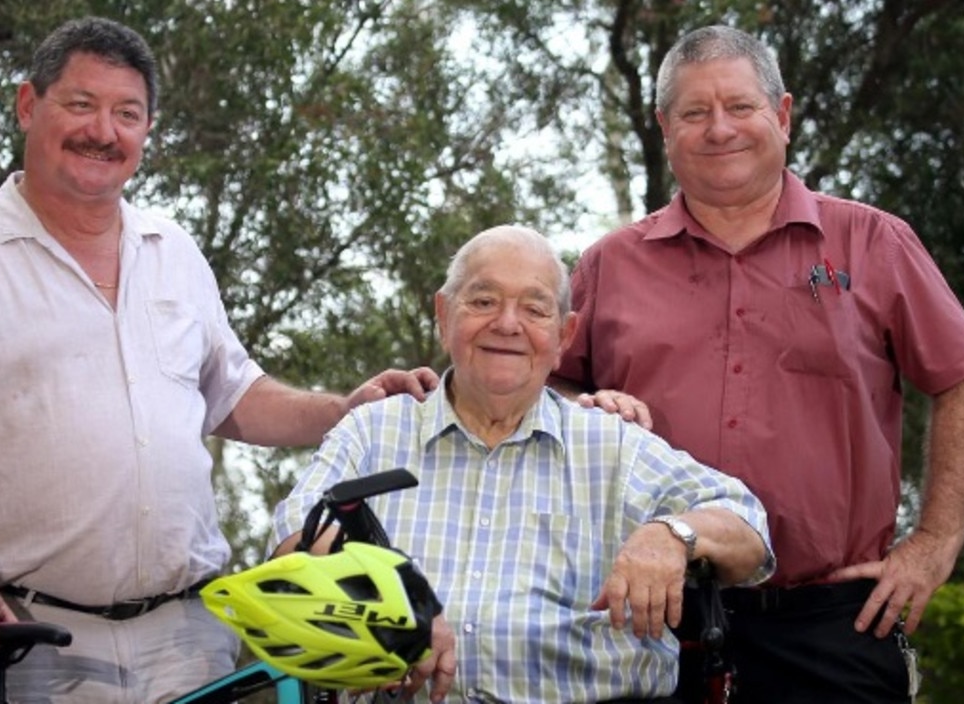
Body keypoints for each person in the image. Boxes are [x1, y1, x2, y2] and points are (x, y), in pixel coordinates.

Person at [0, 16, 438, 704]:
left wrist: (342, 411)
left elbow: (236, 395)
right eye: (80, 104)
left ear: (147, 131)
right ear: (27, 105)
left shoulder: (174, 250)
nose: (103, 130)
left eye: (127, 114)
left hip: (188, 637)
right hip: (22, 635)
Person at [550, 24, 964, 703]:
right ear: (664, 128)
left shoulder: (874, 241)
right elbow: (541, 397)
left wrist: (934, 542)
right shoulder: (609, 264)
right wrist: (581, 410)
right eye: (695, 113)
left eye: (739, 107)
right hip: (647, 623)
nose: (719, 129)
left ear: (782, 115)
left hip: (831, 626)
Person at [272, 224, 776, 704]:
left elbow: (747, 526)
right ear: (444, 315)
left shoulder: (612, 444)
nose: (507, 324)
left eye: (534, 309)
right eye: (484, 301)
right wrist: (393, 603)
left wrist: (672, 534)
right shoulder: (373, 430)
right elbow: (295, 535)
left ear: (564, 335)